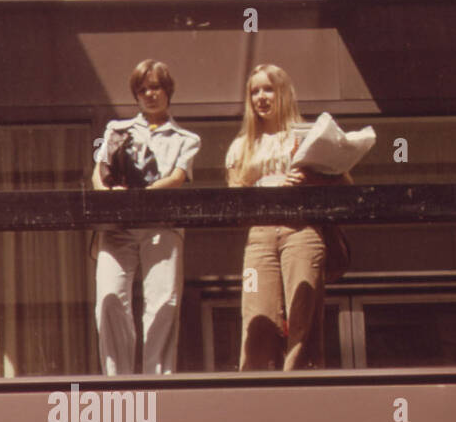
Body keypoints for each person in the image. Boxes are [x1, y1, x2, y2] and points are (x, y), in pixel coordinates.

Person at [226, 64, 346, 371]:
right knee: (257, 313)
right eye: (254, 91)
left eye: (268, 89)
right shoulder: (241, 145)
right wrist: (258, 183)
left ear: (284, 93)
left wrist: (309, 180)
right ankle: (255, 387)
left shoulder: (308, 136)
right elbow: (233, 200)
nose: (261, 97)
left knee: (302, 314)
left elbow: (345, 184)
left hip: (302, 230)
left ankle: (300, 384)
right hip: (259, 236)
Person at [92, 58, 200, 375]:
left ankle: (158, 380)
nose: (149, 95)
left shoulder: (186, 139)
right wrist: (108, 194)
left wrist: (142, 196)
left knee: (163, 301)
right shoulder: (117, 130)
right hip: (118, 226)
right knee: (109, 296)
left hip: (160, 225)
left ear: (167, 91)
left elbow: (178, 177)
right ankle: (117, 379)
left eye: (155, 87)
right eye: (142, 90)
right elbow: (99, 171)